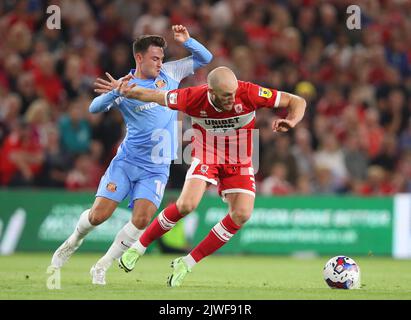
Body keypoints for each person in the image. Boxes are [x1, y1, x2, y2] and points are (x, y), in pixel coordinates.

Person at [49, 25, 212, 285]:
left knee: (143, 218)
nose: (160, 63)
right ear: (139, 58)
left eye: (161, 58)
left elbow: (206, 59)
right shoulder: (125, 85)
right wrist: (115, 92)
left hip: (157, 167)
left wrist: (188, 41)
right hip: (127, 163)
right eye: (154, 58)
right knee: (97, 216)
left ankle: (102, 265)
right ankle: (73, 241)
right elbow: (93, 108)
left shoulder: (170, 72)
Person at [117, 66, 307, 287]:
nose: (232, 98)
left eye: (234, 93)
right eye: (226, 95)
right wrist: (126, 90)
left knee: (242, 214)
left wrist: (292, 120)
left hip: (240, 159)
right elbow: (156, 96)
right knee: (187, 205)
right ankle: (138, 247)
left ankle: (186, 262)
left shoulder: (248, 93)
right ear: (212, 92)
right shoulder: (193, 97)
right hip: (207, 154)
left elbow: (297, 101)